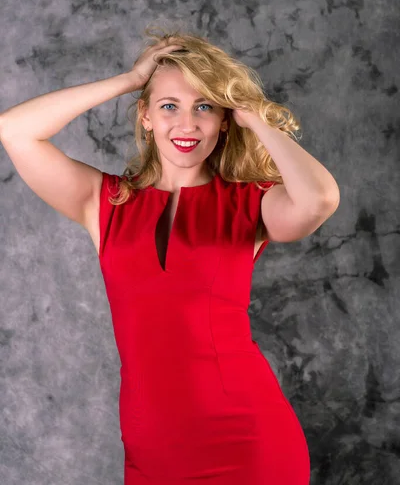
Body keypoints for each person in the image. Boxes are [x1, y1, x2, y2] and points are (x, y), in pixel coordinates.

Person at [0, 27, 340, 484]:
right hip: (152, 450)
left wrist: (253, 116)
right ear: (145, 116)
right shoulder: (105, 202)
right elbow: (14, 130)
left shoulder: (251, 204)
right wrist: (130, 78)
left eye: (204, 107)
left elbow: (319, 200)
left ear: (223, 120)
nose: (186, 125)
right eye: (168, 107)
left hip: (250, 442)